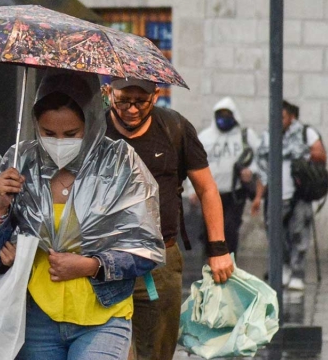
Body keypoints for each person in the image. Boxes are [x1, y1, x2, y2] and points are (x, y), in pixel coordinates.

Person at [0, 71, 166, 360]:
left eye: (71, 134)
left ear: (89, 126)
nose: (59, 142)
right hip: (38, 316)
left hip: (103, 316)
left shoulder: (120, 164)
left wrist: (90, 266)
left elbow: (145, 249)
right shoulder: (20, 163)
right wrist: (1, 207)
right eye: (48, 133)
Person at [104, 78, 234, 360]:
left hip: (159, 257)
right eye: (124, 100)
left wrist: (218, 249)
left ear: (157, 95)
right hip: (104, 258)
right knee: (110, 349)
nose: (132, 109)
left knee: (157, 349)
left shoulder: (175, 128)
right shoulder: (94, 129)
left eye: (141, 101)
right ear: (108, 93)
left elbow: (207, 188)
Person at [257, 100, 327, 291]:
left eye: (282, 117)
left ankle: (297, 273)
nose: (278, 121)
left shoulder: (305, 134)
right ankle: (284, 268)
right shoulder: (268, 136)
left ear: (291, 117)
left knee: (298, 235)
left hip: (299, 195)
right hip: (276, 195)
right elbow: (261, 167)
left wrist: (303, 158)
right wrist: (258, 197)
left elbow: (320, 156)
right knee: (276, 235)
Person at [187, 97, 265, 256]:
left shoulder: (245, 136)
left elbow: (261, 158)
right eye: (220, 114)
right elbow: (192, 163)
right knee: (209, 231)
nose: (223, 118)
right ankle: (210, 266)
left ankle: (230, 265)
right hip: (209, 193)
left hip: (234, 194)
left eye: (227, 114)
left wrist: (250, 171)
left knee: (230, 229)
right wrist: (191, 189)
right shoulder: (205, 137)